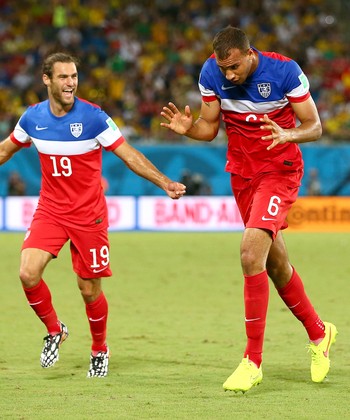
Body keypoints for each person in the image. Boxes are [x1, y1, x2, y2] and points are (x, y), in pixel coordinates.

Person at [160, 26, 337, 393]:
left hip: (279, 171)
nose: (229, 75)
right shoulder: (211, 73)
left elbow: (315, 126)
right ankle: (320, 334)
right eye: (224, 68)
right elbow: (209, 128)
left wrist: (289, 134)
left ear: (250, 54)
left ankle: (252, 361)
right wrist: (187, 129)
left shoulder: (285, 71)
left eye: (235, 67)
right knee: (274, 264)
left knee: (248, 254)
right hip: (242, 175)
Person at [0, 52, 186, 378]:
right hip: (51, 211)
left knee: (89, 290)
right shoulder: (32, 119)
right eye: (63, 77)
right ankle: (55, 329)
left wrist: (165, 182)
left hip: (89, 216)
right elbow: (5, 150)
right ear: (47, 79)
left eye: (74, 76)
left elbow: (129, 154)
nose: (71, 82)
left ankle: (99, 348)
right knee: (28, 273)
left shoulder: (95, 118)